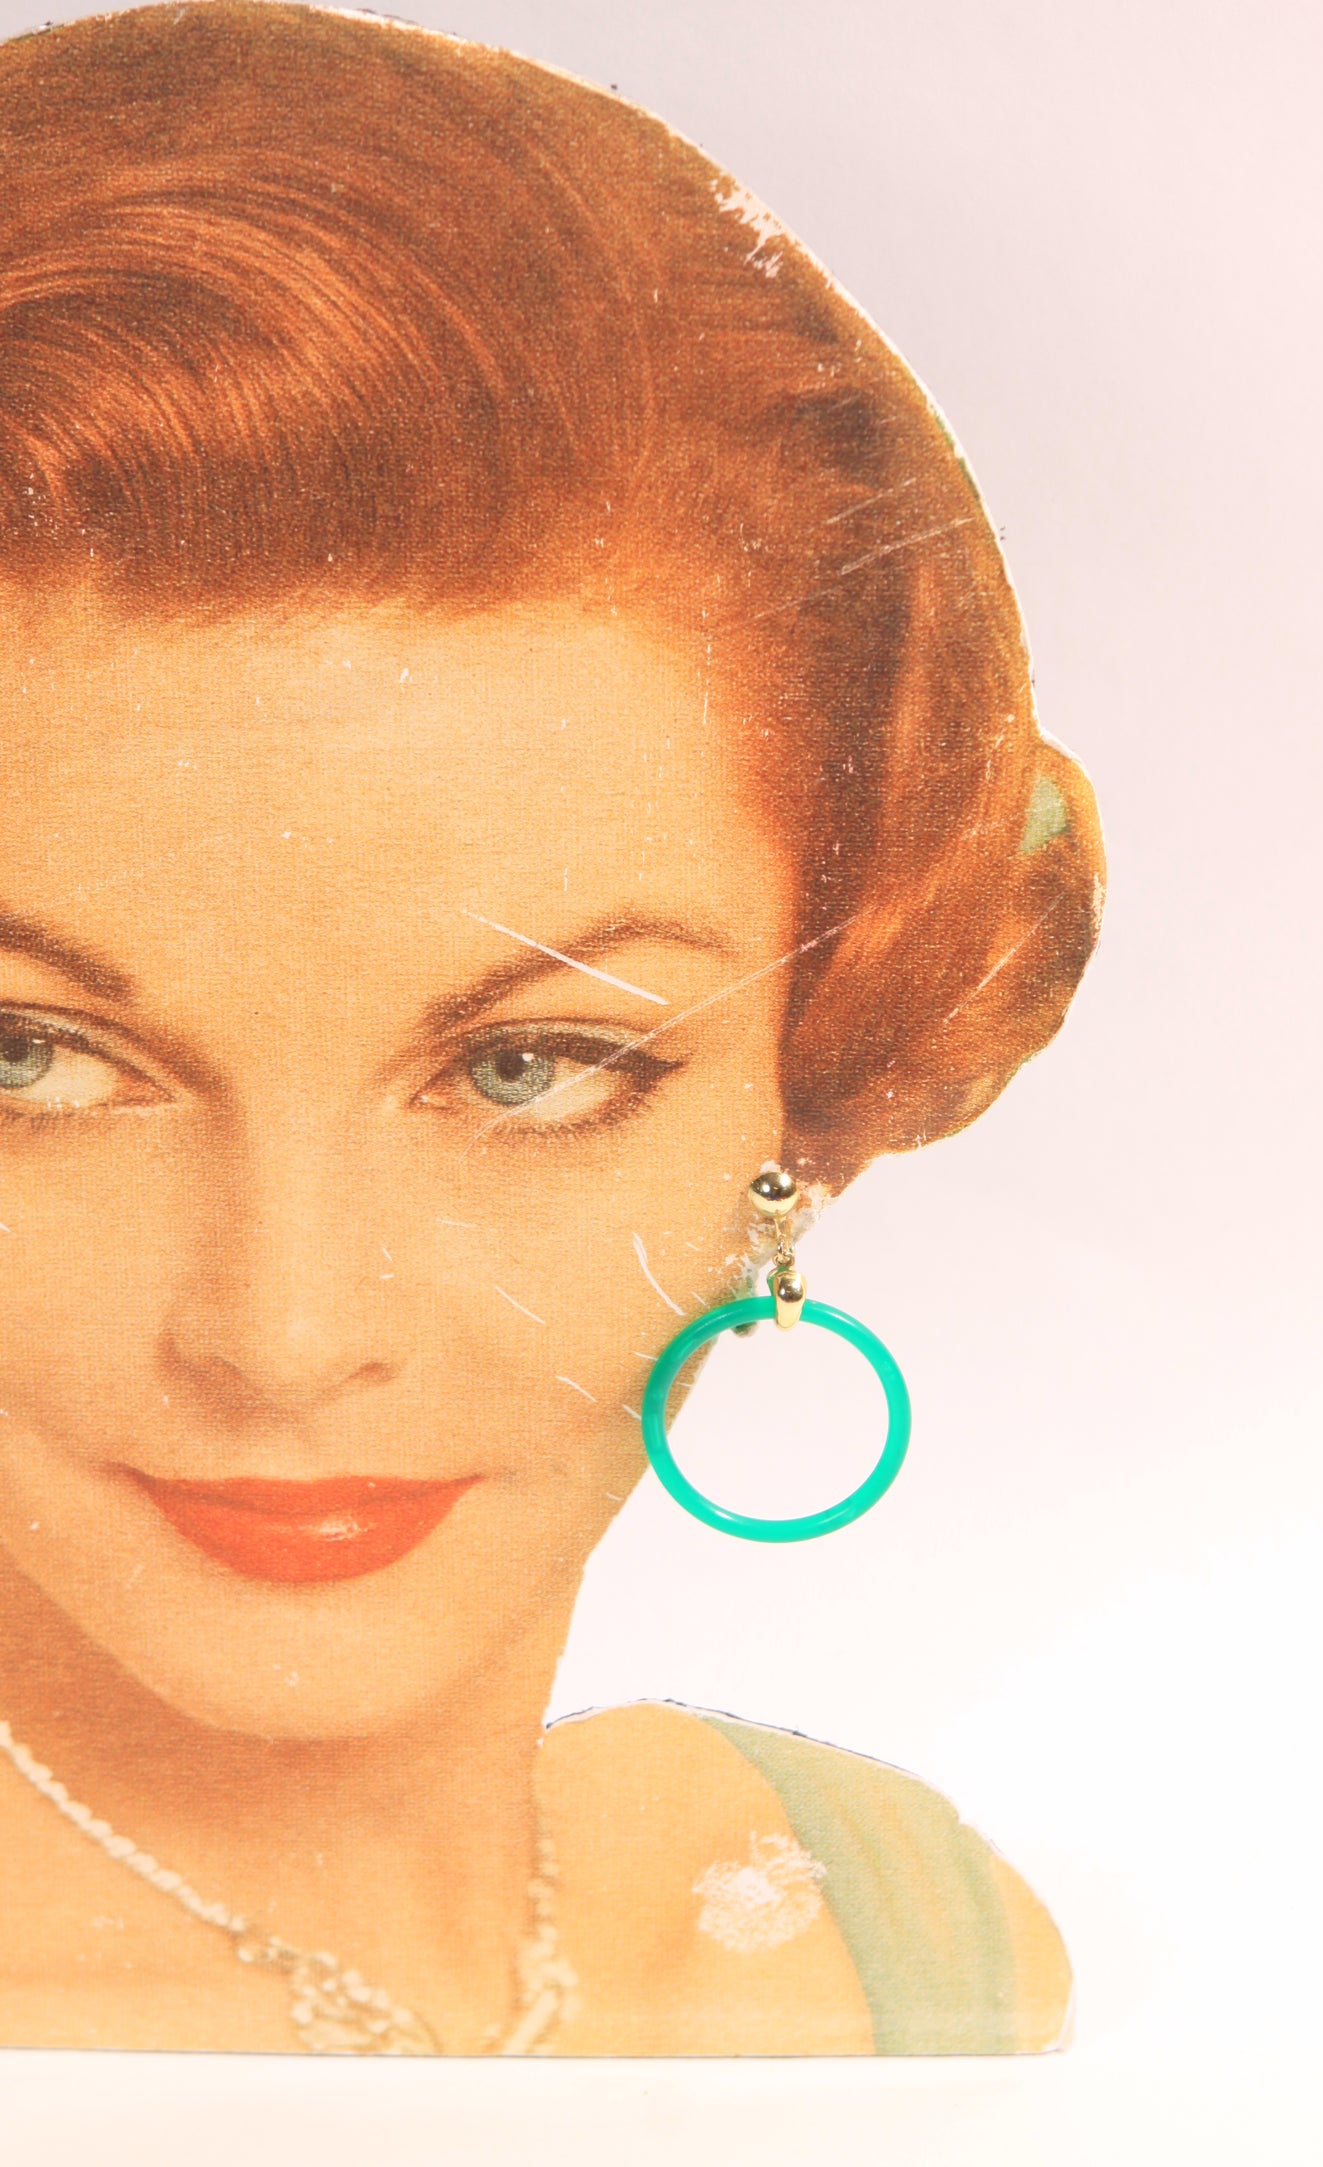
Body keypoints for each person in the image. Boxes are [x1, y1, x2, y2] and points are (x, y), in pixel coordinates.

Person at [0, 1, 1102, 2055]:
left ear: (816, 1078)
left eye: (530, 1069)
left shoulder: (898, 1929)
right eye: (32, 1060)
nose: (284, 1334)